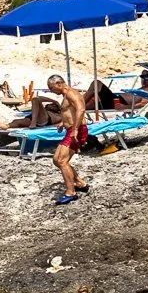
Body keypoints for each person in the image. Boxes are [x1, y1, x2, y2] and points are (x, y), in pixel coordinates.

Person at [46, 75, 89, 204]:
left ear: (59, 83)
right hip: (71, 130)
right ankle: (80, 183)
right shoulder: (66, 96)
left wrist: (75, 129)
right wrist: (62, 123)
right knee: (56, 160)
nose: (51, 90)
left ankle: (71, 192)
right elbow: (70, 112)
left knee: (62, 160)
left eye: (51, 88)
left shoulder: (71, 93)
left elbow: (81, 109)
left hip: (77, 130)